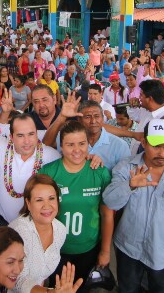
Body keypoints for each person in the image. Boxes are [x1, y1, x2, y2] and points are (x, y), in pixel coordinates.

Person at [103, 119, 164, 293]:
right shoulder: (127, 168)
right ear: (143, 142)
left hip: (163, 255)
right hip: (128, 249)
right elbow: (110, 201)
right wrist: (130, 186)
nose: (162, 154)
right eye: (156, 146)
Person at [39, 120, 114, 284]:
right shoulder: (49, 173)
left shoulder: (99, 172)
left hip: (88, 249)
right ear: (61, 146)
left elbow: (107, 214)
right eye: (70, 145)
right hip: (56, 250)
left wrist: (105, 251)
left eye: (82, 143)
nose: (77, 150)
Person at [0, 113, 61, 225]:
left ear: (37, 134)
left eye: (31, 134)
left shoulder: (52, 156)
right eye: (20, 135)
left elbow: (71, 163)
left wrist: (91, 157)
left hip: (35, 226)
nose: (27, 141)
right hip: (2, 224)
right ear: (11, 137)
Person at [9, 174, 71, 292]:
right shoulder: (17, 232)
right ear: (28, 203)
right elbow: (17, 279)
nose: (47, 206)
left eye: (51, 198)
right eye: (39, 200)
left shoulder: (60, 230)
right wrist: (49, 292)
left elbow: (41, 274)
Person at [43, 97, 130, 170]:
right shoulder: (67, 138)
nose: (93, 121)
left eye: (97, 116)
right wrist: (62, 116)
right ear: (79, 120)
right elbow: (45, 145)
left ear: (103, 119)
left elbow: (124, 178)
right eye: (88, 117)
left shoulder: (120, 146)